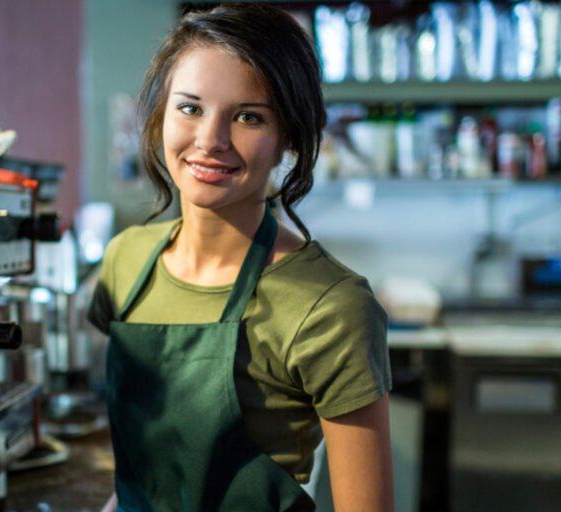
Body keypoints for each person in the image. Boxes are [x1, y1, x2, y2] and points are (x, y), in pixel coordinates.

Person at [89, 4, 393, 511]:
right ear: (161, 114)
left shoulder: (331, 307)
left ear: (288, 137)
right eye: (190, 108)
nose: (210, 141)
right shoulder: (126, 260)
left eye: (248, 117)